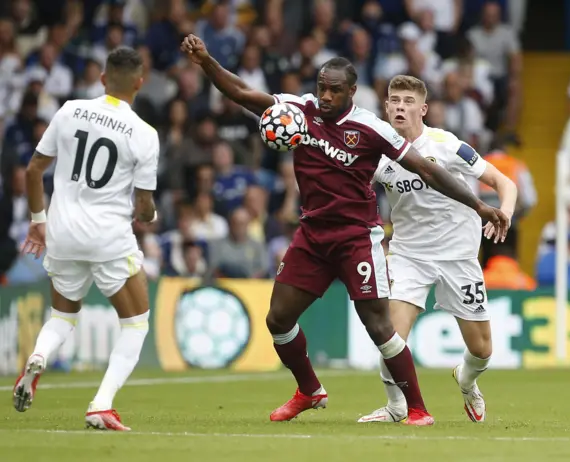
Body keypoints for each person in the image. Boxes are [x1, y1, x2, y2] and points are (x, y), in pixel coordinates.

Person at [181, 34, 509, 426]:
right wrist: (206, 61)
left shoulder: (372, 130)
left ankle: (418, 409)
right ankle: (310, 390)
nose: (325, 96)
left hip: (357, 238)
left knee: (382, 328)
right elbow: (240, 92)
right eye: (321, 88)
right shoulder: (298, 111)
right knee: (278, 320)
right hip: (314, 235)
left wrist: (479, 205)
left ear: (352, 92)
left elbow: (428, 169)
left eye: (334, 90)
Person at [13, 47, 159, 432]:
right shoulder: (144, 134)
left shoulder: (69, 110)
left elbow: (33, 171)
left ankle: (39, 355)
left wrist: (36, 221)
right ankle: (101, 404)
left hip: (61, 232)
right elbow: (143, 207)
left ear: (103, 79)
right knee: (136, 323)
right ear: (140, 83)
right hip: (108, 237)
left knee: (63, 315)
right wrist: (150, 214)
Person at [358, 75, 518, 424]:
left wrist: (503, 214)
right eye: (394, 100)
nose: (400, 106)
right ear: (386, 107)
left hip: (458, 257)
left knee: (482, 349)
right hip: (408, 255)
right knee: (390, 337)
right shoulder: (377, 153)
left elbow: (504, 182)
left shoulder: (448, 145)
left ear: (423, 109)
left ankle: (466, 379)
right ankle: (396, 406)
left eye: (408, 101)